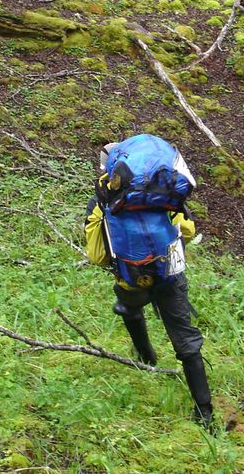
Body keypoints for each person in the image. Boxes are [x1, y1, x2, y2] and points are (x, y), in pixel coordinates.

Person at [84, 136, 214, 428]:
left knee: (127, 306)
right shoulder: (162, 191)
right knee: (187, 342)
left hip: (133, 278)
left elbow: (97, 255)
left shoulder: (102, 201)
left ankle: (146, 356)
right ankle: (205, 413)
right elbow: (188, 231)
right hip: (170, 274)